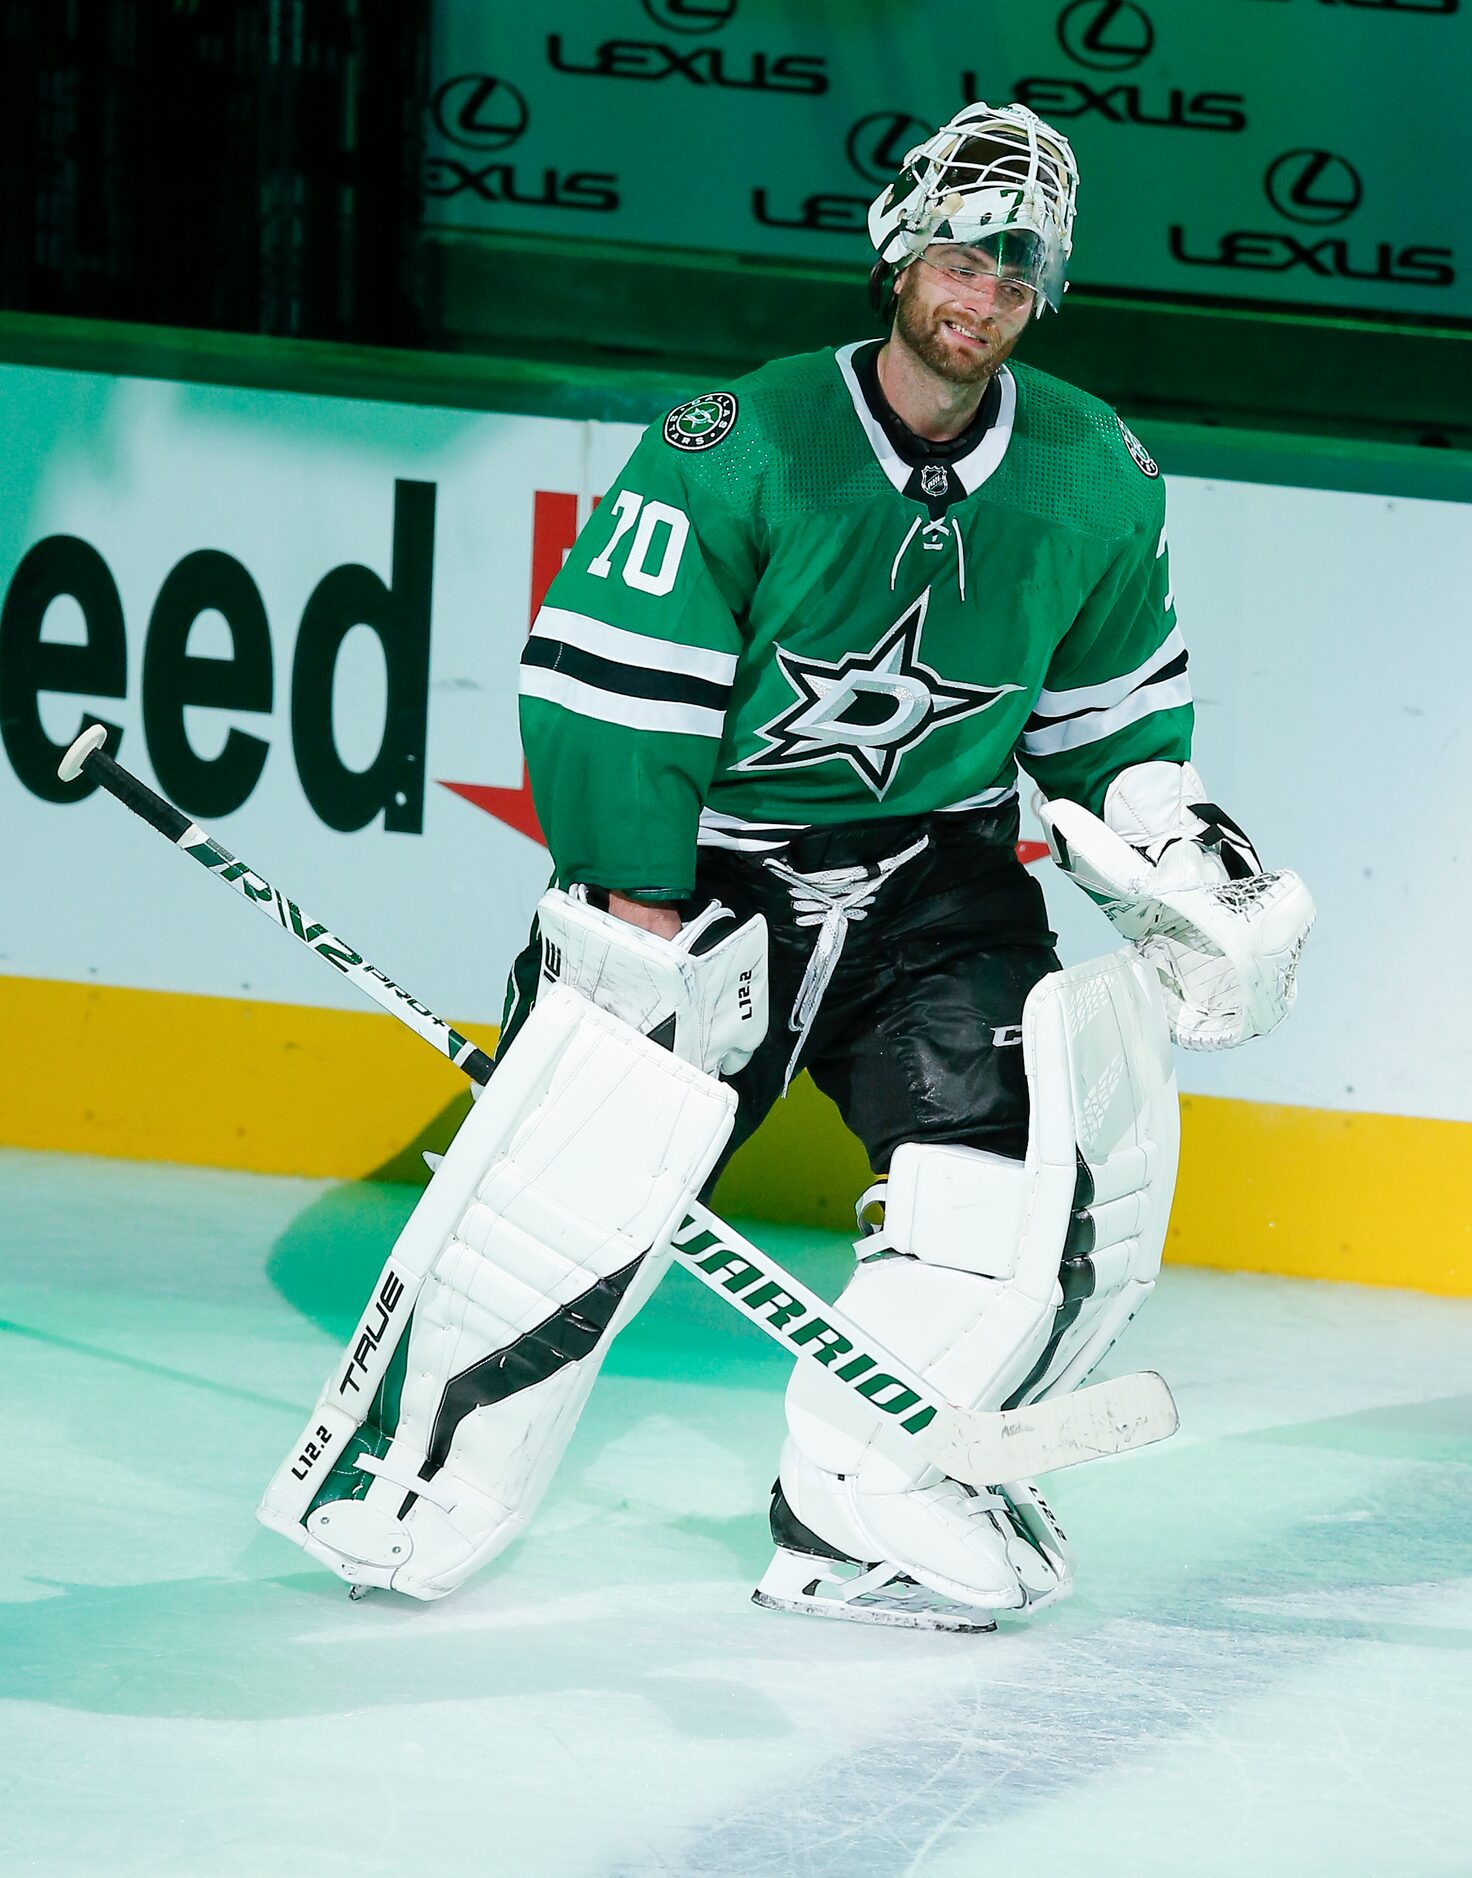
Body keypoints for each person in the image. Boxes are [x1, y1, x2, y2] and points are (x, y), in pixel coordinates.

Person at [260, 102, 1311, 1624]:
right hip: (714, 864)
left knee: (1037, 1180)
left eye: (1017, 276)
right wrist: (633, 906)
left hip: (934, 884)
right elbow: (606, 688)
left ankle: (862, 1498)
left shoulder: (1095, 475)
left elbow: (1110, 725)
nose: (982, 300)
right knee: (569, 1191)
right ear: (901, 252)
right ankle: (419, 1470)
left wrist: (1186, 862)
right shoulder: (737, 443)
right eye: (961, 258)